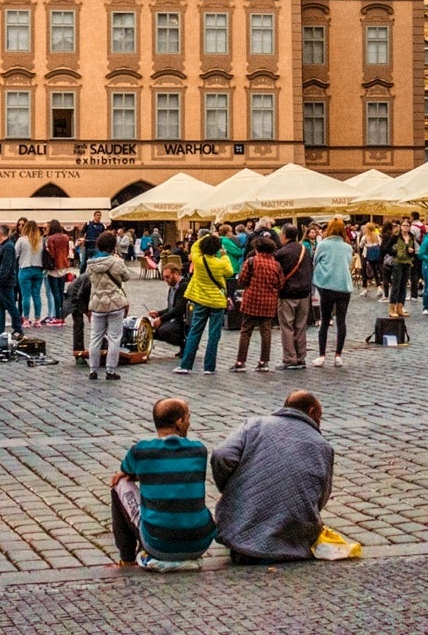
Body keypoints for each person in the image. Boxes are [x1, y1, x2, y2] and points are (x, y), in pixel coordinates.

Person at [211, 391, 336, 564]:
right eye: (320, 416)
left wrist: (230, 488)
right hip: (294, 542)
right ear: (313, 411)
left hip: (240, 537)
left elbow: (222, 455)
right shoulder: (323, 446)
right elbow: (321, 495)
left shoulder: (255, 425)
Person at [116, 398, 218, 571]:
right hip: (199, 543)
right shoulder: (199, 450)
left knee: (119, 484)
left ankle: (126, 558)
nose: (189, 421)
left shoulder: (140, 451)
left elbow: (126, 471)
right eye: (188, 417)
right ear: (179, 422)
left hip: (158, 545)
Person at [83, 233, 161, 381]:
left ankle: (93, 369)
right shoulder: (116, 262)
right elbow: (126, 277)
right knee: (114, 338)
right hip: (115, 304)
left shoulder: (90, 264)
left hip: (97, 304)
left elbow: (88, 278)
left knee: (95, 337)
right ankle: (110, 370)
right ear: (113, 246)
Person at [175, 232, 234, 375]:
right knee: (214, 335)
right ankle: (209, 367)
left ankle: (186, 365)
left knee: (195, 331)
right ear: (217, 249)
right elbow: (230, 271)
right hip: (217, 302)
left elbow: (194, 246)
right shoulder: (220, 263)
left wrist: (207, 236)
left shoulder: (198, 260)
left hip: (201, 300)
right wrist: (224, 254)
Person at [229, 234, 281, 373]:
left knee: (246, 331)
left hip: (252, 300)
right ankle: (264, 362)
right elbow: (280, 283)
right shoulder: (276, 264)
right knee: (266, 332)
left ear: (257, 249)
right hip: (269, 302)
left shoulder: (252, 261)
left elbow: (242, 280)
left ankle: (241, 362)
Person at [311, 218, 354, 366]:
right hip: (344, 286)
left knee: (325, 320)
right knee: (341, 321)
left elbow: (315, 261)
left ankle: (322, 355)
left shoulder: (323, 245)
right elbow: (348, 263)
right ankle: (338, 355)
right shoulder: (348, 247)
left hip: (327, 286)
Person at [272, 223, 315, 370]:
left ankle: (290, 358)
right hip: (304, 292)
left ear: (284, 235)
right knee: (300, 327)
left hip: (287, 294)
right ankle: (301, 357)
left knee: (287, 327)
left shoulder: (281, 253)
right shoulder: (305, 249)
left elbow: (276, 273)